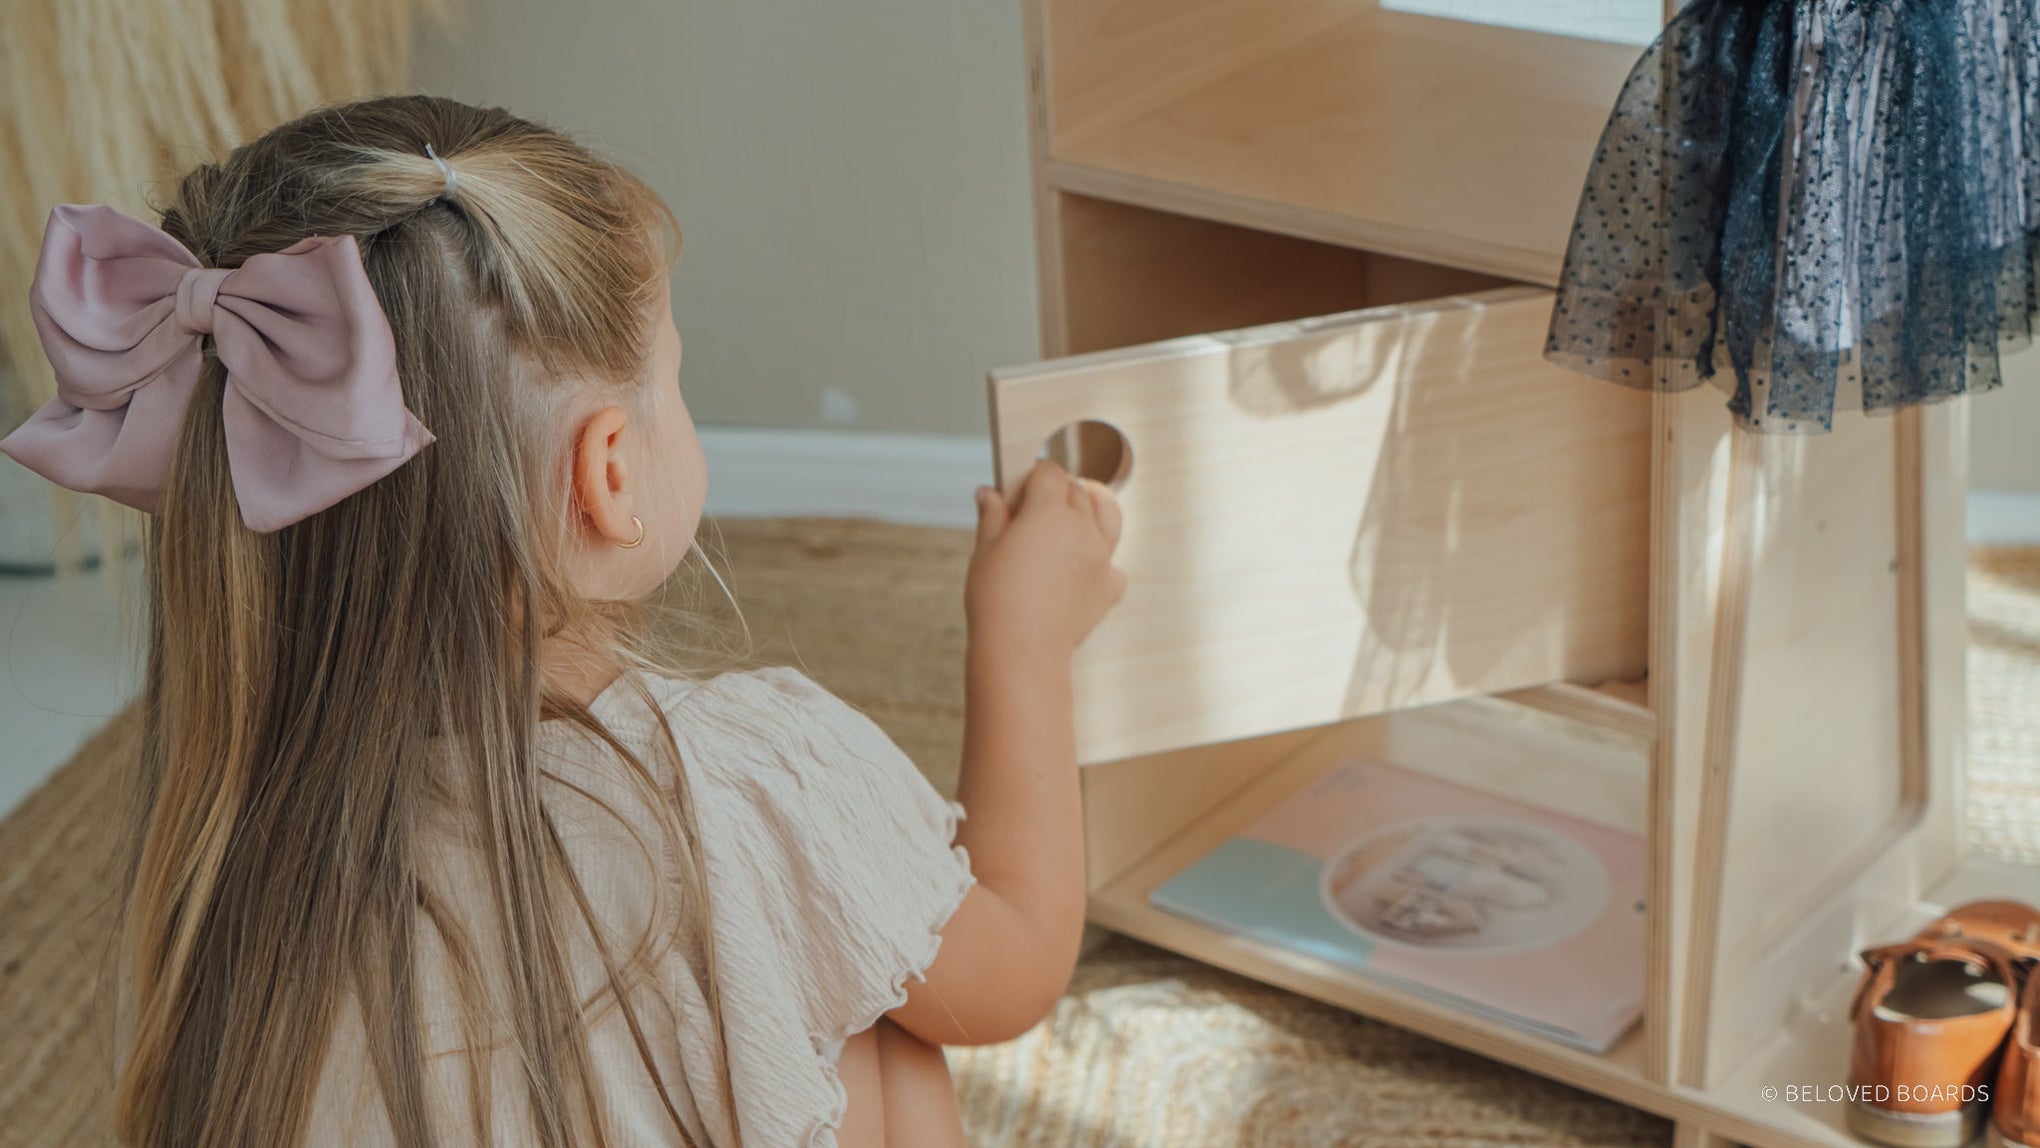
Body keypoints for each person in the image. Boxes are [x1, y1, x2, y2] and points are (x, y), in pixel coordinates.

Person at [0, 94, 1126, 1147]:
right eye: (671, 377)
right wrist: (1022, 634)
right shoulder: (745, 779)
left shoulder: (228, 839)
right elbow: (1013, 962)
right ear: (610, 471)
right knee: (885, 1013)